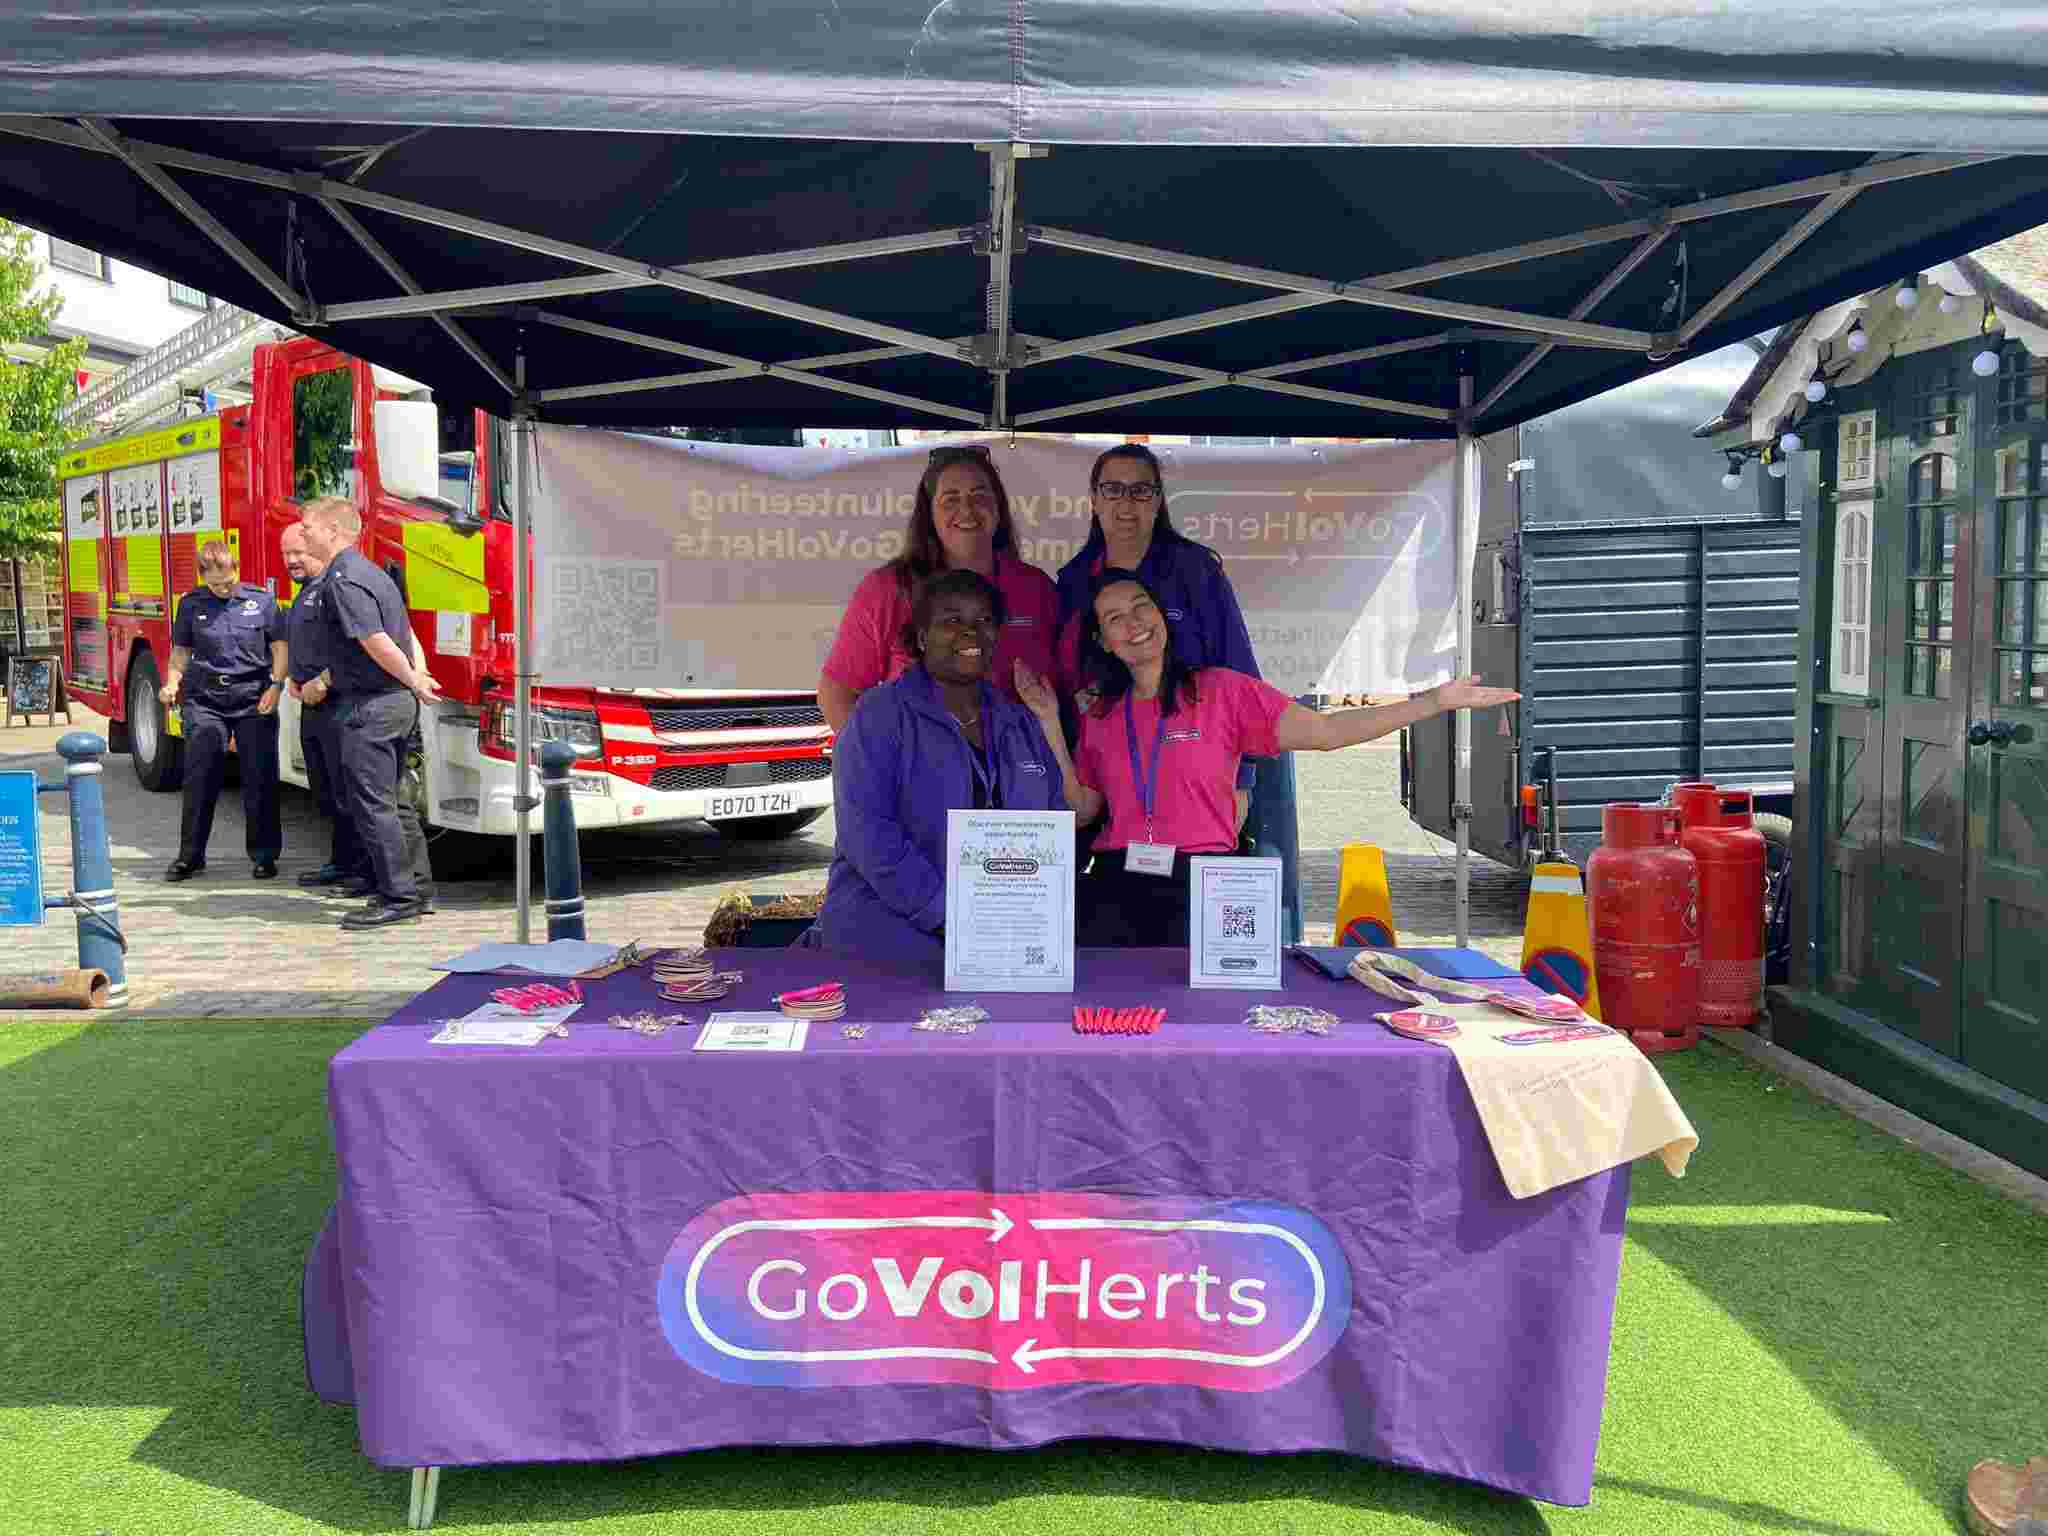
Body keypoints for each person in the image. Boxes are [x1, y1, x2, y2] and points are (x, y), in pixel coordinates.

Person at [1016, 568, 1519, 948]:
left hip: (1205, 883)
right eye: (1114, 617)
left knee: (1209, 1032)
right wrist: (1048, 722)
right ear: (1102, 640)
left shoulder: (1224, 692)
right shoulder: (1102, 713)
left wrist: (1431, 702)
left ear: (1161, 615)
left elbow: (1325, 732)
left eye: (1140, 606)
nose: (1134, 623)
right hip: (1117, 885)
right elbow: (1082, 809)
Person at [806, 568, 1066, 958]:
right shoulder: (879, 714)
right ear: (923, 637)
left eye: (984, 620)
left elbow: (1052, 822)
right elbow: (869, 834)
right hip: (888, 935)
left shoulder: (1020, 721)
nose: (970, 632)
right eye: (952, 620)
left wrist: (1037, 915)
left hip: (1000, 936)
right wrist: (949, 916)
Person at [1051, 443, 1262, 837]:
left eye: (1140, 490)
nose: (1126, 504)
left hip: (1196, 773)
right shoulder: (1074, 581)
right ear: (1094, 499)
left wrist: (1242, 782)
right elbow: (1067, 676)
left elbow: (1240, 675)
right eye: (1112, 490)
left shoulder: (1196, 571)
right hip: (1107, 774)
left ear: (1158, 499)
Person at [817, 443, 1059, 732]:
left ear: (998, 506)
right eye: (950, 499)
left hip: (1022, 771)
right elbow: (837, 694)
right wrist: (878, 766)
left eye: (979, 495)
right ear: (929, 514)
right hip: (924, 774)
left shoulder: (1036, 588)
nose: (967, 510)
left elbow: (1064, 688)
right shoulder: (889, 589)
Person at [295, 497, 440, 930]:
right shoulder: (371, 571)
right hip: (392, 703)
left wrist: (414, 679)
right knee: (394, 803)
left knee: (373, 805)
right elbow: (406, 631)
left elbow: (376, 640)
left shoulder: (342, 580)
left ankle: (398, 896)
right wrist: (417, 673)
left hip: (372, 707)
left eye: (307, 528)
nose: (302, 535)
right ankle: (416, 888)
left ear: (333, 532)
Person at [159, 540, 286, 881]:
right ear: (203, 578)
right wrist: (172, 683)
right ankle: (190, 856)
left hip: (252, 697)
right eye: (215, 584)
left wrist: (276, 685)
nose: (223, 588)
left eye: (228, 581)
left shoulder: (261, 601)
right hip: (205, 699)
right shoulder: (190, 605)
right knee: (199, 777)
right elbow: (181, 652)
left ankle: (264, 855)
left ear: (237, 570)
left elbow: (279, 646)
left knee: (259, 777)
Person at [280, 523, 368, 893]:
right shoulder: (305, 592)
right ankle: (340, 861)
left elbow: (358, 648)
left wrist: (323, 680)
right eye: (286, 554)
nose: (292, 561)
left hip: (339, 704)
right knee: (325, 791)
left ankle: (362, 872)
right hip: (312, 706)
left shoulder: (335, 589)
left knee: (348, 793)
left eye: (298, 552)